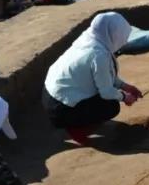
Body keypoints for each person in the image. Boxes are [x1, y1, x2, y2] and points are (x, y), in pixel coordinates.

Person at [42, 12, 143, 145]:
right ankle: (76, 130)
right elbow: (106, 92)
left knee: (104, 98)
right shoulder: (99, 55)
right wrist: (125, 97)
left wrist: (125, 87)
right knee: (111, 106)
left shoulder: (90, 39)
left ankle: (76, 120)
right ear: (113, 33)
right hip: (60, 108)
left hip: (50, 97)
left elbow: (105, 75)